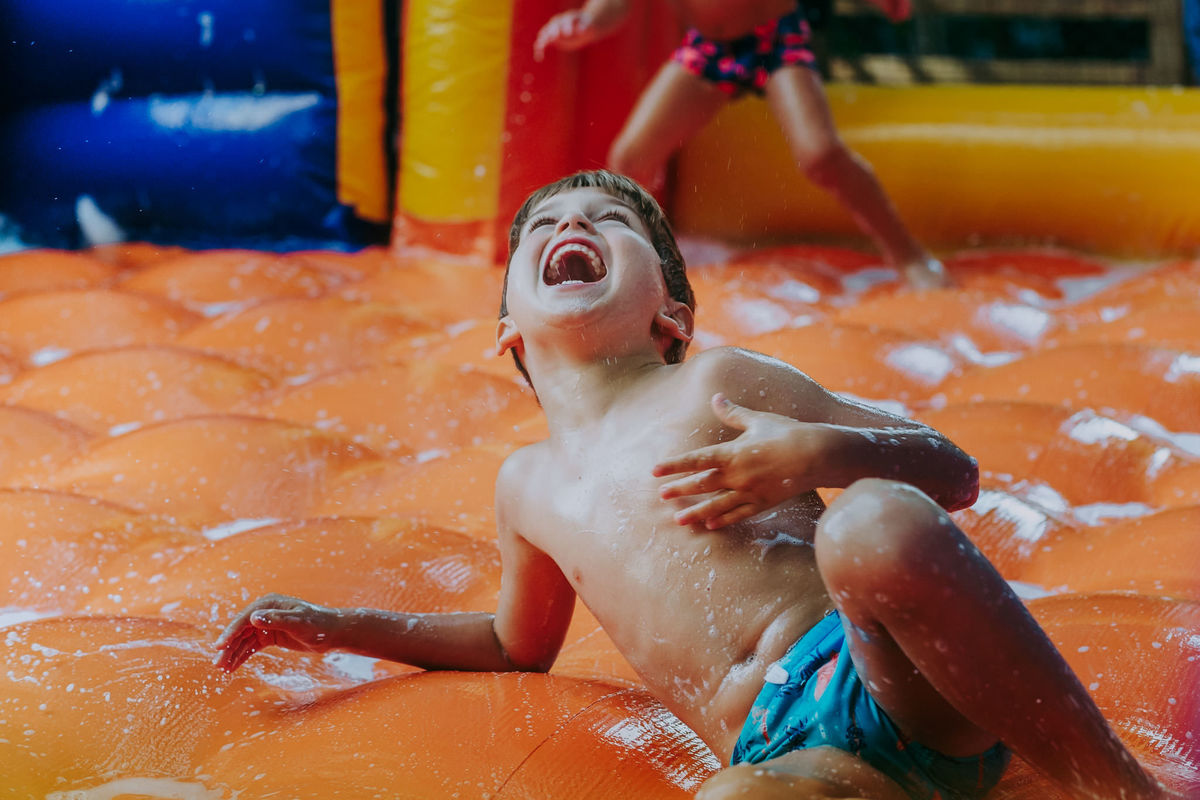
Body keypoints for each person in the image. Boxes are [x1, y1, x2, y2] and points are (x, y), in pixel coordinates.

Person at [215, 171, 1167, 800]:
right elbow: (513, 645)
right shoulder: (526, 485)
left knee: (870, 523)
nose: (572, 224)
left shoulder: (717, 382)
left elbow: (950, 471)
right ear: (507, 329)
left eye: (609, 221)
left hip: (888, 672)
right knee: (731, 795)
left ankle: (1114, 783)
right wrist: (334, 625)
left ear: (671, 313)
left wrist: (817, 455)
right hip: (785, 752)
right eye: (543, 226)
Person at [533, 0, 950, 289]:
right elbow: (612, 7)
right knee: (629, 159)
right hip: (707, 49)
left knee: (821, 155)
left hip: (775, 39)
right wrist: (585, 23)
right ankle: (638, 265)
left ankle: (909, 255)